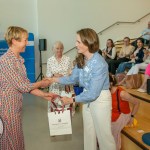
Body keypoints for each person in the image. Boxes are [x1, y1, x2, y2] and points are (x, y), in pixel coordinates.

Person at [46, 28, 116, 150]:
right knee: (89, 133)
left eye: (78, 42)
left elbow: (94, 93)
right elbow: (72, 78)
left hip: (100, 99)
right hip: (86, 98)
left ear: (87, 42)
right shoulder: (82, 60)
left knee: (104, 137)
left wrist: (71, 99)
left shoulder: (99, 63)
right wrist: (53, 80)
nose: (75, 44)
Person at [0, 26, 54, 150]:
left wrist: (44, 95)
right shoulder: (6, 61)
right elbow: (23, 86)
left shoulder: (19, 60)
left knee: (17, 140)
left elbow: (25, 84)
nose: (26, 42)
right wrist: (42, 83)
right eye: (24, 40)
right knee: (10, 142)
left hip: (15, 106)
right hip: (7, 109)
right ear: (14, 41)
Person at [109, 75, 140, 150]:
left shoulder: (122, 93)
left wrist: (132, 117)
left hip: (123, 114)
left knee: (113, 131)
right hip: (112, 113)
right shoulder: (105, 92)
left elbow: (137, 102)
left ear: (110, 83)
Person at [46, 41, 73, 111]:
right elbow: (48, 75)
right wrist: (54, 75)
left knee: (65, 109)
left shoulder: (67, 59)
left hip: (65, 87)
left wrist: (62, 76)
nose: (59, 50)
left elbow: (70, 73)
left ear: (63, 49)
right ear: (53, 49)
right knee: (54, 109)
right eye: (57, 48)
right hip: (54, 88)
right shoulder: (50, 60)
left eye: (61, 48)